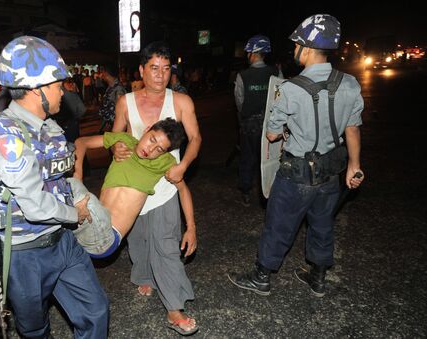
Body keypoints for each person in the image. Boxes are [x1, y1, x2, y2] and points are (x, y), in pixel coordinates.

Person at [229, 14, 365, 298]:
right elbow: (352, 128)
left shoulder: (289, 89)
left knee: (279, 223)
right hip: (330, 171)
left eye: (296, 46)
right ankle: (317, 277)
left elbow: (271, 135)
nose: (294, 51)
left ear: (307, 48)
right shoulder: (349, 83)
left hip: (297, 172)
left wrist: (288, 129)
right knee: (323, 223)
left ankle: (262, 277)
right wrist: (354, 165)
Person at [0, 35, 109, 338]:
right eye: (57, 85)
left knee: (96, 311)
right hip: (25, 254)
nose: (63, 92)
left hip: (61, 240)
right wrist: (74, 215)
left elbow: (59, 177)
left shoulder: (48, 127)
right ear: (36, 90)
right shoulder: (7, 135)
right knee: (36, 330)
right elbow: (36, 205)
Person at [112, 41, 202, 336]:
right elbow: (115, 137)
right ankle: (143, 275)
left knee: (165, 245)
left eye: (166, 69)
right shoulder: (125, 101)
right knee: (137, 240)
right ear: (142, 69)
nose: (160, 75)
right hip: (133, 187)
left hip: (165, 185)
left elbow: (196, 138)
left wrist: (183, 165)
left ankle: (174, 308)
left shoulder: (181, 102)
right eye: (154, 68)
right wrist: (117, 151)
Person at [70, 118, 196, 259]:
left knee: (76, 193)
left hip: (106, 237)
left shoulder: (165, 163)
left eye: (159, 149)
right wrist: (78, 175)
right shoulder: (124, 140)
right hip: (87, 225)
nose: (150, 149)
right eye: (152, 139)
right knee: (61, 188)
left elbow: (183, 190)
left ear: (164, 153)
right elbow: (81, 142)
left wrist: (191, 228)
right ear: (146, 130)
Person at [234, 35, 280, 206]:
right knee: (270, 158)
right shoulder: (276, 72)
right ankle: (270, 191)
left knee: (247, 158)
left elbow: (239, 101)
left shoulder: (242, 76)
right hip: (271, 125)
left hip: (249, 126)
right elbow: (280, 97)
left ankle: (246, 191)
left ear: (253, 53)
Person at [98, 63, 126, 134]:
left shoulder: (118, 89)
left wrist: (111, 124)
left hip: (114, 125)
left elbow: (122, 110)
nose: (100, 74)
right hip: (109, 123)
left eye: (102, 72)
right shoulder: (110, 87)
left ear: (106, 73)